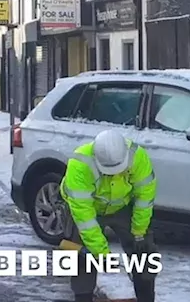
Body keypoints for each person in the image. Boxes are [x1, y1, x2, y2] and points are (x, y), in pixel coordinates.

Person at [59, 129, 158, 302]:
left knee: (144, 252)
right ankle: (83, 296)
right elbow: (85, 218)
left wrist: (139, 232)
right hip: (89, 208)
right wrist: (101, 254)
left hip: (122, 205)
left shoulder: (138, 157)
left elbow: (145, 197)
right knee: (83, 257)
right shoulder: (79, 164)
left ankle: (146, 296)